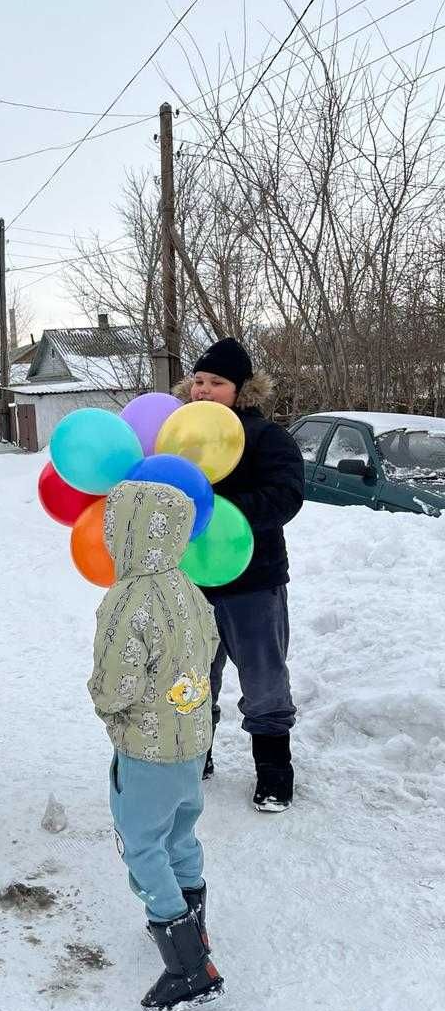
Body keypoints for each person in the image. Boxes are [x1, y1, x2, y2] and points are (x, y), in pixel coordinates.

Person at [89, 480, 224, 1011]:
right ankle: (195, 924)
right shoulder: (186, 586)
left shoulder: (127, 599)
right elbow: (211, 645)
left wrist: (104, 705)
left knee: (142, 843)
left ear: (121, 532)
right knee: (180, 832)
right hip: (191, 741)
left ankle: (188, 964)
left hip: (146, 749)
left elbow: (116, 682)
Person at [176, 337, 304, 811]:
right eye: (199, 381)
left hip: (253, 580)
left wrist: (219, 512)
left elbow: (286, 496)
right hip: (191, 579)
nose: (204, 390)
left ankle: (273, 770)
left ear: (240, 389)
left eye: (217, 383)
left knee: (264, 677)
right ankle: (194, 754)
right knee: (190, 674)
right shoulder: (177, 436)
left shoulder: (267, 438)